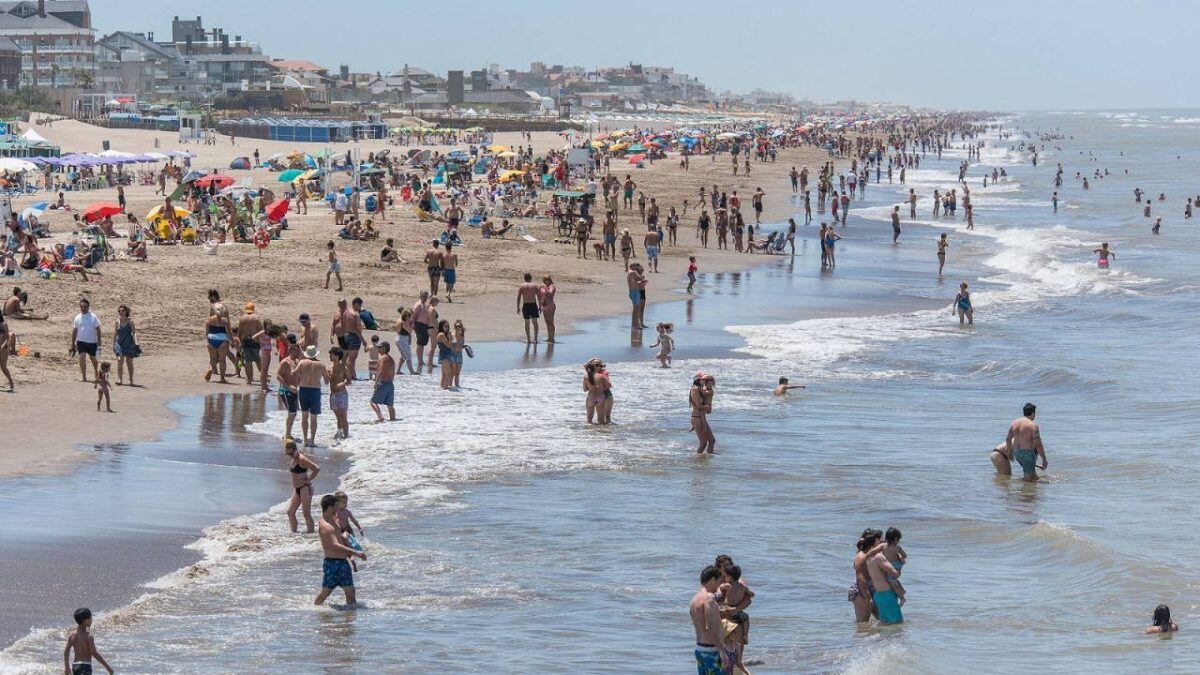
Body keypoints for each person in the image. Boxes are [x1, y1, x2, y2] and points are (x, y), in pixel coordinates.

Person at [315, 494, 367, 607]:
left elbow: (341, 537)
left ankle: (349, 621)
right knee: (326, 592)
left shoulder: (332, 520)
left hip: (343, 563)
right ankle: (315, 611)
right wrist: (356, 553)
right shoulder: (326, 526)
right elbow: (335, 544)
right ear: (329, 508)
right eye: (336, 507)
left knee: (351, 591)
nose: (338, 509)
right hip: (332, 563)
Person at [691, 565, 731, 675]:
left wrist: (723, 592)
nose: (719, 585)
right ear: (713, 579)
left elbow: (699, 624)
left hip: (700, 649)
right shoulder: (709, 599)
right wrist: (722, 652)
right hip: (712, 651)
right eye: (719, 581)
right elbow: (710, 628)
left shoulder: (694, 599)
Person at [63, 608, 114, 675]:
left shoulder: (72, 635)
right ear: (85, 620)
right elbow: (94, 653)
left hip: (75, 666)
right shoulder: (88, 636)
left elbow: (66, 652)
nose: (91, 620)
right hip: (85, 666)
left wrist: (67, 667)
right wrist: (107, 667)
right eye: (90, 618)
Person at [285, 437, 319, 533]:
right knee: (290, 512)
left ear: (296, 450)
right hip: (297, 489)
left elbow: (316, 469)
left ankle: (311, 536)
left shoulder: (302, 459)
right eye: (288, 453)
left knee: (306, 513)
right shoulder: (293, 459)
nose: (290, 455)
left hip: (305, 488)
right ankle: (294, 534)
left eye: (291, 453)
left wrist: (309, 479)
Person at [1006, 402, 1047, 481]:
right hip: (1027, 454)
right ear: (1033, 413)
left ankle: (1022, 489)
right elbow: (1038, 445)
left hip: (1017, 453)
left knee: (1033, 476)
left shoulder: (1014, 423)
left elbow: (1008, 438)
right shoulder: (1033, 425)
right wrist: (1044, 459)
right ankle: (1021, 492)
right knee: (1027, 479)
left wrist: (1009, 451)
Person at [296, 345, 329, 447]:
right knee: (314, 417)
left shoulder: (302, 362)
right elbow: (326, 381)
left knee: (304, 416)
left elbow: (295, 374)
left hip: (303, 389)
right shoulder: (321, 364)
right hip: (315, 391)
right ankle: (312, 440)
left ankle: (305, 440)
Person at [866, 543, 904, 624]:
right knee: (897, 624)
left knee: (884, 624)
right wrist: (900, 565)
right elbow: (895, 574)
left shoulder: (869, 558)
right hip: (887, 594)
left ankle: (880, 637)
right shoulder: (879, 558)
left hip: (878, 594)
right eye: (881, 539)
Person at [70, 298, 101, 382]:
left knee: (93, 358)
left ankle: (96, 372)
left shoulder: (93, 317)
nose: (83, 308)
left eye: (85, 306)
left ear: (88, 307)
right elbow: (75, 331)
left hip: (92, 342)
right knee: (82, 358)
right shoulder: (77, 317)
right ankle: (84, 376)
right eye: (81, 306)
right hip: (80, 341)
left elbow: (98, 329)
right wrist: (73, 343)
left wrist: (99, 342)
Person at [112, 304, 140, 386]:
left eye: (122, 311)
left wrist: (136, 342)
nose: (121, 312)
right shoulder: (117, 321)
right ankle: (120, 379)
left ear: (126, 311)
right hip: (119, 343)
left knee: (129, 361)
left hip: (128, 343)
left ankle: (131, 379)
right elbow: (115, 334)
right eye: (119, 311)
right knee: (120, 360)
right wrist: (114, 344)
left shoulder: (130, 321)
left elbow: (134, 333)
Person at [238, 302, 264, 386]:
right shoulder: (256, 318)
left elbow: (239, 333)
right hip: (255, 341)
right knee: (258, 361)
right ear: (253, 309)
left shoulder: (242, 319)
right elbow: (261, 330)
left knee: (248, 362)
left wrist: (241, 343)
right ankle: (263, 379)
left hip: (246, 341)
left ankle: (249, 380)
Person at [328, 346, 350, 440]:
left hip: (342, 394)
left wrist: (342, 383)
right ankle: (340, 434)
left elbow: (349, 381)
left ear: (337, 356)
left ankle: (346, 437)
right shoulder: (328, 369)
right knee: (338, 418)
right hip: (333, 395)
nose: (330, 356)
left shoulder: (344, 368)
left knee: (343, 417)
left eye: (331, 355)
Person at [370, 341, 396, 422]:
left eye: (380, 347)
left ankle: (380, 416)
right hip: (390, 384)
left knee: (373, 402)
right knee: (390, 405)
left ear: (384, 348)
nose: (378, 349)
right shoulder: (391, 359)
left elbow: (380, 371)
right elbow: (392, 372)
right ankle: (393, 421)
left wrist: (376, 382)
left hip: (383, 383)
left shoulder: (383, 358)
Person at [690, 373, 716, 453]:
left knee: (711, 441)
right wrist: (707, 407)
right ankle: (698, 462)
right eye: (704, 379)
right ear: (697, 380)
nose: (705, 381)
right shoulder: (695, 389)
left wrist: (707, 407)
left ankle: (707, 461)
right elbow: (698, 406)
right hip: (698, 418)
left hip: (700, 417)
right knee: (704, 443)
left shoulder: (701, 390)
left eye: (706, 380)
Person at [517, 272, 541, 344]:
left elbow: (518, 297)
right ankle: (535, 339)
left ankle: (528, 340)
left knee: (527, 323)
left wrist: (518, 307)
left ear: (524, 278)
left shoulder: (521, 286)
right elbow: (538, 296)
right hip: (533, 305)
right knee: (535, 322)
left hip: (526, 305)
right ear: (531, 278)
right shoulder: (534, 286)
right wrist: (540, 306)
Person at [539, 274, 557, 344]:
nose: (546, 282)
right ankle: (549, 337)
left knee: (550, 322)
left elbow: (550, 293)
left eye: (547, 280)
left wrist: (545, 288)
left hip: (550, 305)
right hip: (544, 306)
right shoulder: (544, 286)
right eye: (545, 280)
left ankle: (552, 338)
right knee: (547, 322)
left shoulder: (551, 286)